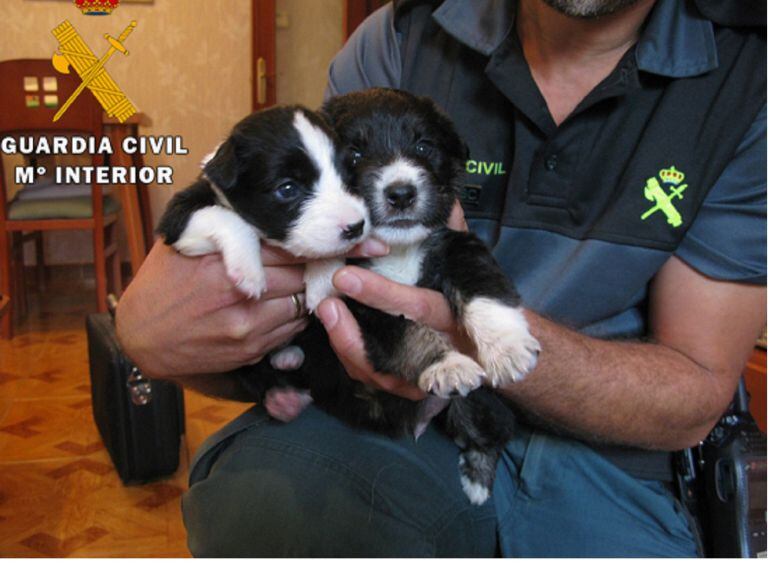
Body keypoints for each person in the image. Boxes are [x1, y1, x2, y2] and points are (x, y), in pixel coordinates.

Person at [116, 0, 766, 557]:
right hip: (384, 419)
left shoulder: (749, 68)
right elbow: (279, 268)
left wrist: (474, 339)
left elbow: (693, 396)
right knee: (258, 508)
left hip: (617, 463)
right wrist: (158, 329)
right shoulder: (398, 37)